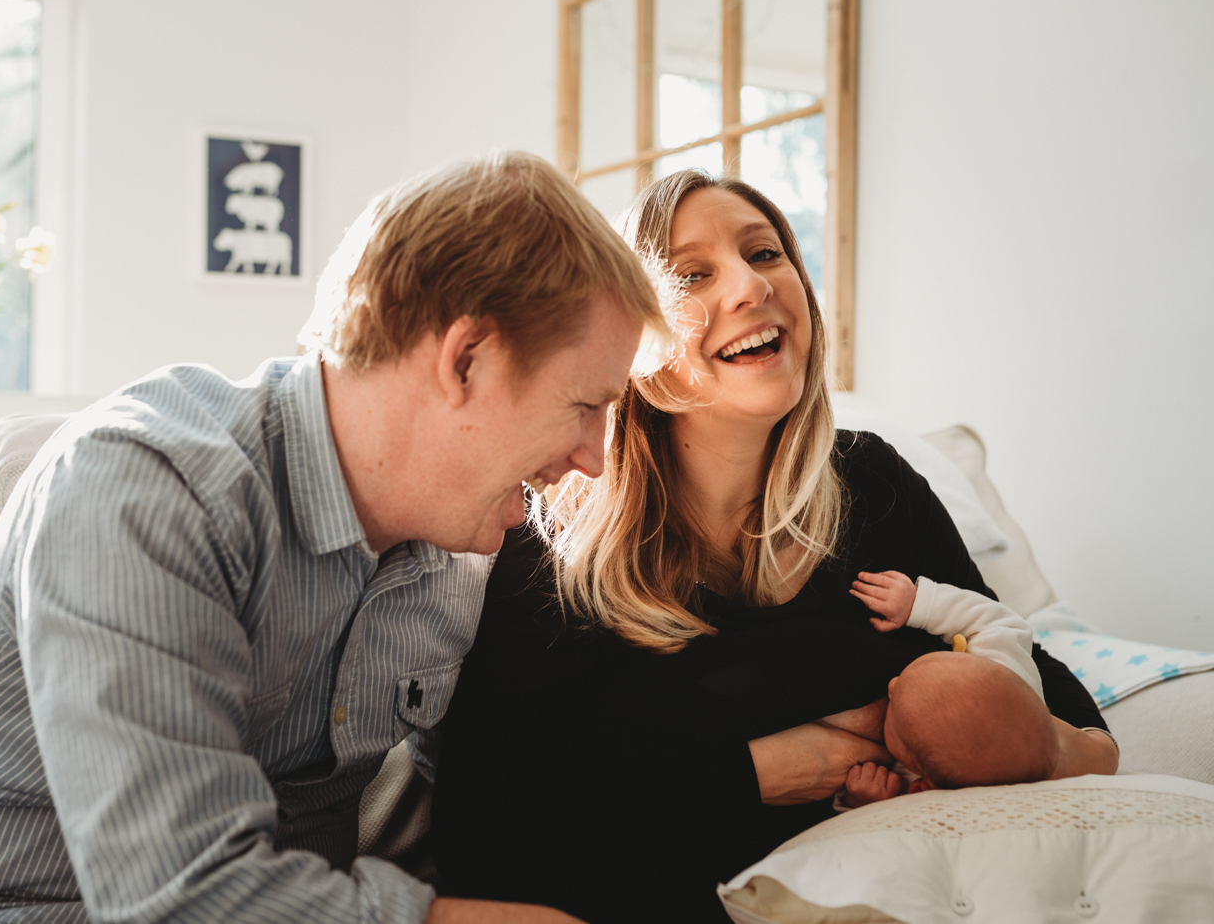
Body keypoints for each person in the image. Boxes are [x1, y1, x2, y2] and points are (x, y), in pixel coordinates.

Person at [0, 152, 666, 924]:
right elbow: (183, 897)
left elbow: (521, 794)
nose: (592, 457)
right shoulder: (146, 485)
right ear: (466, 359)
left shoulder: (457, 554)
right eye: (585, 406)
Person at [429, 170, 1119, 924]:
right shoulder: (553, 548)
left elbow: (1031, 668)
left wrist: (1074, 752)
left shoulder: (874, 483)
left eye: (765, 253)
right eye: (693, 273)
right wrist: (769, 767)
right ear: (630, 339)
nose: (751, 287)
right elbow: (488, 839)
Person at [833, 569, 1061, 806]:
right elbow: (1001, 622)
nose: (893, 685)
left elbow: (884, 828)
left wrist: (861, 800)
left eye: (894, 715)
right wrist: (919, 604)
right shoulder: (1006, 667)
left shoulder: (924, 788)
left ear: (926, 781)